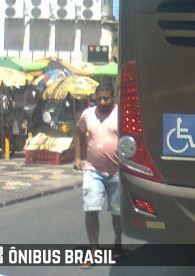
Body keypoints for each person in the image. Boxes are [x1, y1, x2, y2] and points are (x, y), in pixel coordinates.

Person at [73, 83, 122, 267]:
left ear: (112, 98)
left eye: (106, 98)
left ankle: (118, 242)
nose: (102, 102)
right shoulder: (88, 114)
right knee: (91, 210)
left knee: (117, 212)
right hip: (93, 170)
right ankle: (93, 252)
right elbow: (79, 134)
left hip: (117, 171)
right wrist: (78, 157)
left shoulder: (120, 114)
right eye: (99, 98)